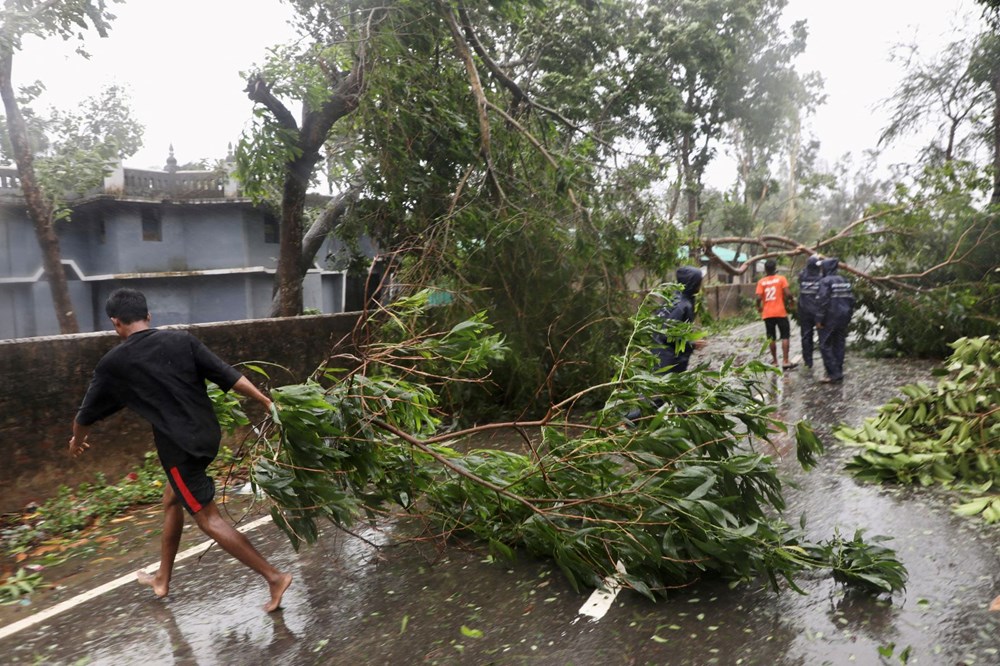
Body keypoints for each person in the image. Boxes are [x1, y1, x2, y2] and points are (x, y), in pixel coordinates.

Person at [69, 288, 292, 612]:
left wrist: (76, 442)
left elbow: (85, 414)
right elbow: (229, 376)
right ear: (148, 316)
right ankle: (162, 579)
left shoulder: (113, 363)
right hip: (208, 437)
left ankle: (273, 577)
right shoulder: (181, 341)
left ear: (116, 323)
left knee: (207, 519)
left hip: (179, 449)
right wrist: (267, 402)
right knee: (172, 498)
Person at [651, 265, 707, 374]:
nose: (701, 284)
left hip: (663, 357)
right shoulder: (681, 306)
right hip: (668, 363)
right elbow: (667, 334)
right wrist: (692, 344)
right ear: (693, 283)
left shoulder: (675, 299)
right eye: (700, 281)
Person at [815, 257, 855, 383]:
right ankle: (838, 370)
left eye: (822, 267)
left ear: (827, 268)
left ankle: (833, 373)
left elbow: (823, 301)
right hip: (843, 317)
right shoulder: (844, 281)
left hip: (830, 318)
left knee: (825, 345)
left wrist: (819, 319)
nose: (821, 269)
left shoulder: (825, 282)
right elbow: (851, 300)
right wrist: (848, 315)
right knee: (839, 344)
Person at [755, 258, 795, 369]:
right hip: (780, 312)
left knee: (771, 337)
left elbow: (758, 298)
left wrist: (758, 307)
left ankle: (775, 361)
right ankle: (786, 361)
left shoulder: (761, 282)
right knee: (785, 336)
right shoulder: (781, 279)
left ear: (765, 270)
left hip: (768, 314)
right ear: (775, 268)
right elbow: (788, 294)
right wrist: (792, 301)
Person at [796, 255, 824, 369]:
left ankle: (808, 362)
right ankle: (827, 361)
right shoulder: (822, 278)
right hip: (819, 313)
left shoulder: (802, 276)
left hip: (805, 311)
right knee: (823, 337)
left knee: (806, 337)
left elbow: (802, 272)